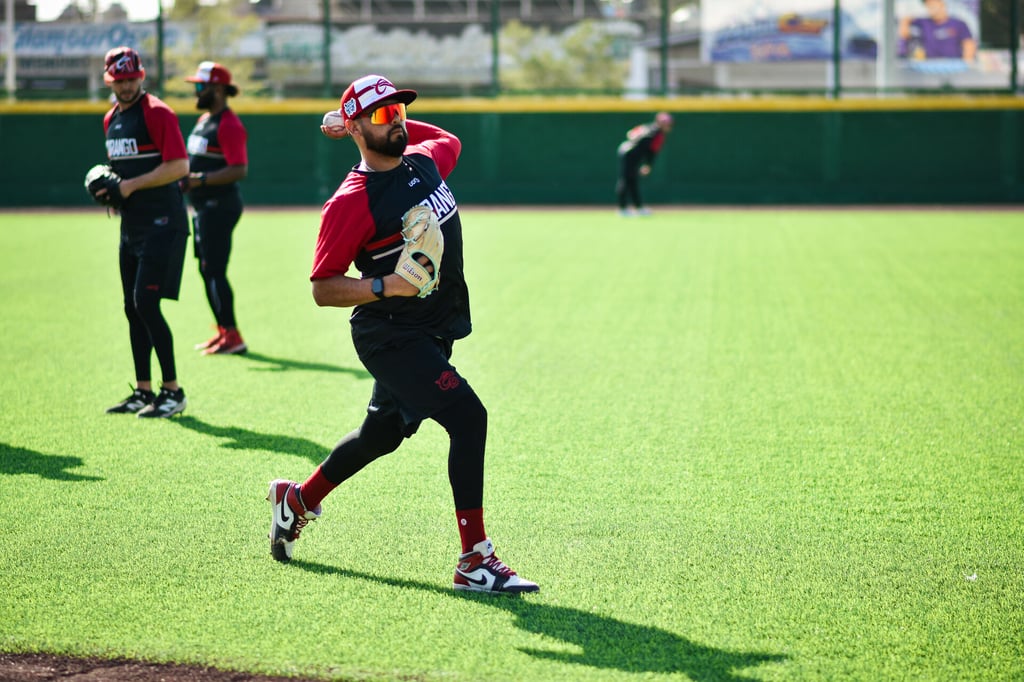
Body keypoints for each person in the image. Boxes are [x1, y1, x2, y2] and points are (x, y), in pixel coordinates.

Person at [266, 74, 538, 594]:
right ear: (358, 128)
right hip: (390, 335)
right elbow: (324, 287)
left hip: (431, 328)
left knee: (381, 435)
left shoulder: (423, 161)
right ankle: (474, 560)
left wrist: (363, 125)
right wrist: (384, 283)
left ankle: (297, 499)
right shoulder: (352, 201)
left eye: (401, 113)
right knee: (468, 417)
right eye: (385, 116)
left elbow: (451, 141)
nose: (399, 122)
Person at [99, 46, 189, 418]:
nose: (126, 85)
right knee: (131, 308)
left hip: (163, 223)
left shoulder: (157, 113)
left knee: (146, 304)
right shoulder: (110, 120)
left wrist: (130, 186)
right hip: (131, 225)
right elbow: (119, 169)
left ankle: (173, 391)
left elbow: (180, 166)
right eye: (119, 80)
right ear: (110, 81)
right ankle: (143, 389)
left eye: (131, 78)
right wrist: (112, 191)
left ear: (141, 76)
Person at [182, 61, 249, 355]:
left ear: (218, 90)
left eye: (200, 86)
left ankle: (233, 335)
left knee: (214, 270)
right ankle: (223, 329)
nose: (196, 91)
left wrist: (200, 180)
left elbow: (239, 169)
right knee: (206, 269)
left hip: (219, 206)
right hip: (203, 207)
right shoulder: (204, 120)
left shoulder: (229, 124)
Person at [616, 111, 673, 216]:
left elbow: (630, 134)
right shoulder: (657, 133)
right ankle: (623, 209)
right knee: (626, 180)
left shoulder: (647, 127)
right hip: (630, 154)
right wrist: (648, 165)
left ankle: (637, 208)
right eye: (667, 123)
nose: (668, 126)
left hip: (626, 151)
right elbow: (652, 152)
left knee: (632, 181)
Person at [898, 0, 976, 61]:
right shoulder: (924, 22)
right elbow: (905, 25)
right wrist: (905, 26)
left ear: (941, 3)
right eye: (928, 5)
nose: (930, 7)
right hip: (930, 66)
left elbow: (969, 44)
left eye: (933, 3)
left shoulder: (958, 23)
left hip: (953, 66)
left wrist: (966, 64)